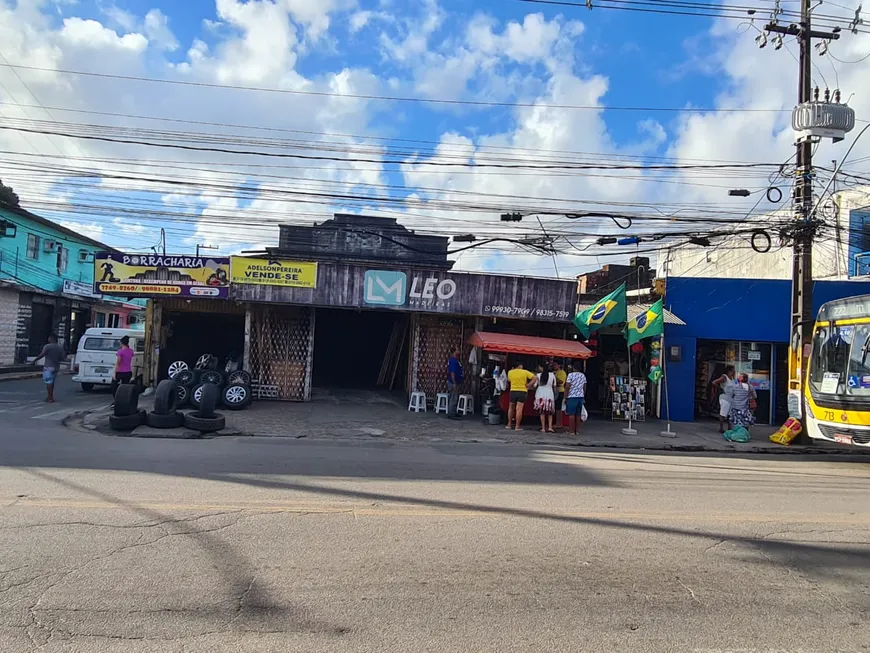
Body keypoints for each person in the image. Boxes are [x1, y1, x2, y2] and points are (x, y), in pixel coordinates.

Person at [31, 334, 65, 403]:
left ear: (51, 339)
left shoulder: (47, 346)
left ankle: (50, 398)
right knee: (52, 383)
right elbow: (63, 357)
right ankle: (50, 396)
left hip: (48, 366)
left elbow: (42, 354)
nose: (48, 339)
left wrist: (34, 360)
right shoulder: (60, 347)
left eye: (49, 338)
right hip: (56, 367)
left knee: (48, 383)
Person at [506, 361, 536, 431]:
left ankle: (509, 424)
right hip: (522, 391)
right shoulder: (525, 372)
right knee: (519, 409)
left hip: (513, 391)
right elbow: (535, 377)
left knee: (511, 408)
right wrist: (529, 384)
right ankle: (517, 426)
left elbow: (509, 380)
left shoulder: (510, 372)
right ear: (520, 366)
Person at [564, 361, 588, 435]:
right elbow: (584, 387)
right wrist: (583, 395)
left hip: (572, 396)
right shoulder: (583, 376)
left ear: (573, 367)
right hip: (580, 397)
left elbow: (567, 386)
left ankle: (571, 431)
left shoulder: (570, 375)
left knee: (571, 414)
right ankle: (577, 431)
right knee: (578, 414)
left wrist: (565, 397)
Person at [712, 365, 737, 433]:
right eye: (733, 370)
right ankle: (721, 428)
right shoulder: (724, 377)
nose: (734, 372)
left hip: (731, 398)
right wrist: (720, 388)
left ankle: (729, 428)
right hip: (725, 397)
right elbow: (714, 382)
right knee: (723, 413)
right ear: (729, 371)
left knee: (730, 414)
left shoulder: (732, 379)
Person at [534, 363, 557, 433]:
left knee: (542, 412)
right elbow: (555, 386)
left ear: (542, 368)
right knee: (550, 412)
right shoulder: (552, 375)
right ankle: (550, 427)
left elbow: (535, 385)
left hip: (540, 394)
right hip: (550, 394)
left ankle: (543, 428)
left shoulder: (538, 375)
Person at [111, 335, 134, 401]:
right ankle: (125, 400)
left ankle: (116, 399)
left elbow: (118, 362)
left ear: (121, 343)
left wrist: (115, 373)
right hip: (128, 372)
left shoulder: (120, 351)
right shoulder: (131, 351)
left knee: (114, 385)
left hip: (120, 371)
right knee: (125, 387)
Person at [447, 347, 463, 419]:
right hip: (453, 382)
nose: (459, 351)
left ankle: (454, 412)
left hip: (457, 382)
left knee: (455, 398)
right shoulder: (453, 361)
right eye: (457, 350)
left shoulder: (456, 360)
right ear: (454, 352)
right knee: (453, 398)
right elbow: (452, 372)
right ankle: (451, 414)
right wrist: (454, 383)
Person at [553, 362, 567, 431]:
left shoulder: (562, 372)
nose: (554, 366)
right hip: (556, 391)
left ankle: (559, 423)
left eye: (555, 365)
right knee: (557, 408)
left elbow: (561, 382)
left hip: (560, 391)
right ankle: (557, 422)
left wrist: (554, 377)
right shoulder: (555, 372)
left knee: (559, 408)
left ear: (559, 365)